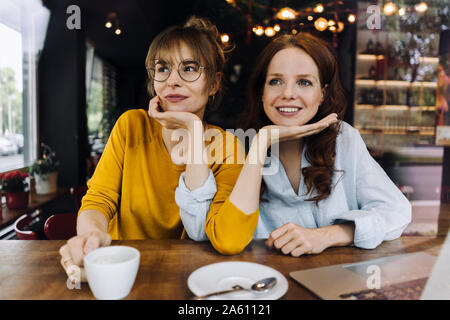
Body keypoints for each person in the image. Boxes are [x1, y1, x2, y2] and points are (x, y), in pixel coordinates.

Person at [58, 16, 252, 278]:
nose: (172, 80)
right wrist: (92, 234)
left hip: (192, 274)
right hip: (123, 266)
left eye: (190, 68)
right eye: (162, 69)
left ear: (214, 83)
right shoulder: (131, 126)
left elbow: (224, 236)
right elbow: (99, 199)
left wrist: (194, 133)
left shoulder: (227, 146)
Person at [186, 33, 412, 257]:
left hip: (333, 280)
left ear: (322, 94)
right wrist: (260, 143)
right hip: (262, 281)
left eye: (304, 82)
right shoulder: (238, 145)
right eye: (275, 81)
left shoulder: (343, 139)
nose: (288, 94)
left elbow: (397, 211)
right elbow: (200, 231)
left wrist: (330, 235)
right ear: (261, 92)